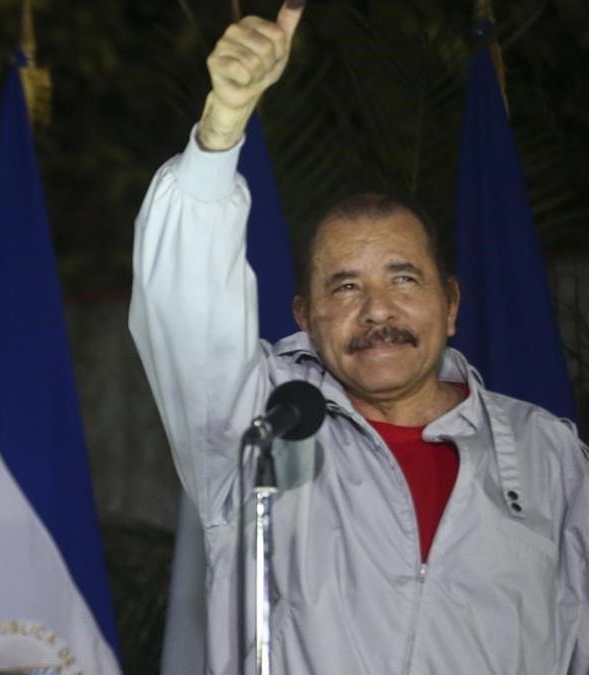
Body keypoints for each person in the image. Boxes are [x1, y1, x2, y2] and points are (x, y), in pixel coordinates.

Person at [129, 2, 588, 673]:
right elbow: (183, 306)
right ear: (305, 317)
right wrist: (221, 128)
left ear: (451, 303)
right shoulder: (257, 429)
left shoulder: (547, 452)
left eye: (404, 279)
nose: (377, 310)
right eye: (344, 287)